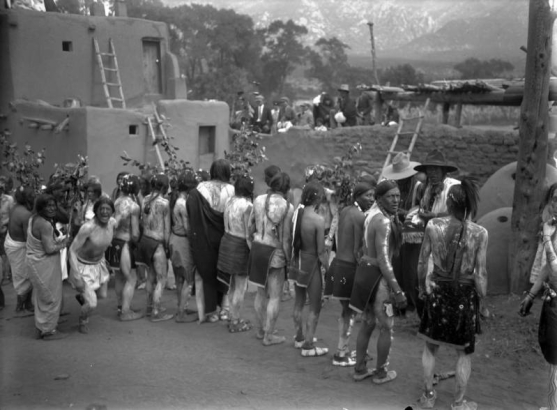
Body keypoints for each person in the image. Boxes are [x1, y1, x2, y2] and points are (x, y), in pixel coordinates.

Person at [417, 178, 487, 410]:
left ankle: (428, 397)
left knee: (430, 347)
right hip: (464, 296)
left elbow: (421, 262)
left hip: (437, 291)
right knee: (464, 353)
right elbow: (481, 273)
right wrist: (483, 302)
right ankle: (458, 403)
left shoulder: (433, 226)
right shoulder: (480, 233)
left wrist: (421, 287)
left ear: (448, 202)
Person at [350, 180, 407, 383]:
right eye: (391, 196)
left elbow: (361, 250)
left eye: (398, 196)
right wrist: (397, 290)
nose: (395, 200)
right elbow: (384, 260)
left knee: (367, 323)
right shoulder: (382, 221)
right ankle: (381, 373)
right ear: (380, 198)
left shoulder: (370, 215)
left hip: (365, 274)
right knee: (386, 326)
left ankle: (359, 369)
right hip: (378, 279)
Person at [401, 149, 460, 317]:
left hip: (451, 240)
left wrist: (433, 216)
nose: (432, 173)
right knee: (426, 277)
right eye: (429, 170)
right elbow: (424, 210)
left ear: (443, 171)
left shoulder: (454, 187)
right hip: (432, 239)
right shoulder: (428, 189)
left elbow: (459, 215)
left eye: (436, 169)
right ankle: (428, 317)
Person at [324, 182, 374, 366]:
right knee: (350, 313)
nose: (371, 199)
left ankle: (343, 350)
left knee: (346, 311)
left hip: (337, 265)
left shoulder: (344, 211)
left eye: (373, 196)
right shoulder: (360, 217)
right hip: (349, 269)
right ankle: (341, 353)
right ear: (358, 195)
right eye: (368, 195)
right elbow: (356, 251)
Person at [520, 182, 557, 410]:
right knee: (554, 362)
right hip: (553, 301)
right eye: (554, 199)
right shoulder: (554, 229)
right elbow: (547, 269)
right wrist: (531, 296)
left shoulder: (550, 232)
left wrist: (545, 238)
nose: (556, 205)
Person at [248, 172, 294, 345]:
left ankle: (261, 330)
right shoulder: (288, 207)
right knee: (275, 296)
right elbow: (286, 239)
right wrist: (289, 260)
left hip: (258, 248)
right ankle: (269, 335)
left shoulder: (258, 200)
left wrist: (252, 244)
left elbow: (250, 227)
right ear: (287, 188)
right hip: (275, 253)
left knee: (260, 293)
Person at [187, 159, 235, 323]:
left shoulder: (200, 188)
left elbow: (192, 211)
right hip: (224, 237)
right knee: (224, 273)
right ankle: (225, 310)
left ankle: (208, 312)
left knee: (205, 273)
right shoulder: (232, 190)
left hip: (204, 238)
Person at [290, 182, 330, 357]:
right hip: (311, 264)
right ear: (318, 199)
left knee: (298, 302)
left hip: (296, 262)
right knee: (315, 306)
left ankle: (299, 337)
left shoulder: (295, 215)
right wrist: (329, 268)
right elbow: (321, 251)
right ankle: (308, 345)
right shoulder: (318, 220)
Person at [381, 152, 422, 315]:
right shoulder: (395, 186)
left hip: (414, 234)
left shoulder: (419, 187)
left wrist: (405, 213)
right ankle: (400, 303)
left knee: (411, 269)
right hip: (397, 232)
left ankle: (412, 302)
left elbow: (422, 209)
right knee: (397, 267)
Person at [69, 197, 116, 334]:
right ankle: (83, 320)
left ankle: (83, 297)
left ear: (112, 212)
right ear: (96, 211)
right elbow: (72, 250)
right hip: (83, 267)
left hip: (99, 264)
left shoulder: (112, 222)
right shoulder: (87, 228)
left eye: (108, 210)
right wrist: (76, 274)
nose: (105, 212)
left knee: (102, 295)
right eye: (102, 209)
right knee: (92, 303)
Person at [27, 194, 69, 340]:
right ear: (41, 207)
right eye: (48, 206)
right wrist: (64, 243)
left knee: (42, 296)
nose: (52, 209)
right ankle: (48, 331)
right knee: (51, 296)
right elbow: (50, 249)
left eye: (53, 205)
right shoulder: (44, 224)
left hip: (37, 263)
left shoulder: (34, 218)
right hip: (44, 263)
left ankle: (42, 326)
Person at [217, 174, 254, 333]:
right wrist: (253, 251)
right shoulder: (248, 206)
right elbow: (248, 234)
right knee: (240, 286)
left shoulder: (229, 201)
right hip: (239, 245)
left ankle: (233, 316)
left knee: (231, 285)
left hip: (226, 241)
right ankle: (235, 321)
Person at [135, 174, 173, 322]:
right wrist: (167, 247)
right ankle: (156, 312)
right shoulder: (164, 203)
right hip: (157, 243)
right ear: (164, 187)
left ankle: (150, 307)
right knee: (162, 278)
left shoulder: (145, 199)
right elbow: (167, 229)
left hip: (145, 240)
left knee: (150, 276)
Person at [105, 174, 143, 321]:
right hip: (126, 244)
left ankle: (121, 307)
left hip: (114, 243)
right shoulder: (134, 206)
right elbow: (135, 234)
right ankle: (126, 312)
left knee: (120, 278)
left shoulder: (116, 202)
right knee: (132, 278)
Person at [169, 171, 199, 323]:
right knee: (188, 278)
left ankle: (180, 308)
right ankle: (182, 313)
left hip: (174, 239)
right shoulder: (183, 203)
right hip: (183, 242)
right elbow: (188, 228)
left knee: (179, 278)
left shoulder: (175, 200)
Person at [5, 186, 35, 316]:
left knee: (22, 275)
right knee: (25, 276)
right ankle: (22, 305)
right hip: (18, 246)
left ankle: (25, 304)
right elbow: (28, 239)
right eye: (32, 196)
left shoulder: (14, 208)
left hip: (12, 243)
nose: (34, 197)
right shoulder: (25, 214)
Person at [0, 176, 15, 290]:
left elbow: (13, 215)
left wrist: (6, 225)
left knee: (6, 253)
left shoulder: (9, 200)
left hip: (5, 229)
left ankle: (7, 275)